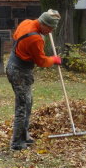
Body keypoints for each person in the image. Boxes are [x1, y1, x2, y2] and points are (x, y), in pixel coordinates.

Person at [6, 9, 62, 150]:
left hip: (17, 66)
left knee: (28, 102)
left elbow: (16, 35)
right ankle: (17, 142)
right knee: (22, 105)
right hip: (19, 71)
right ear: (43, 24)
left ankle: (24, 135)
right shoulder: (35, 39)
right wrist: (54, 59)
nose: (50, 32)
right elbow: (41, 61)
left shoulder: (26, 22)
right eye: (49, 29)